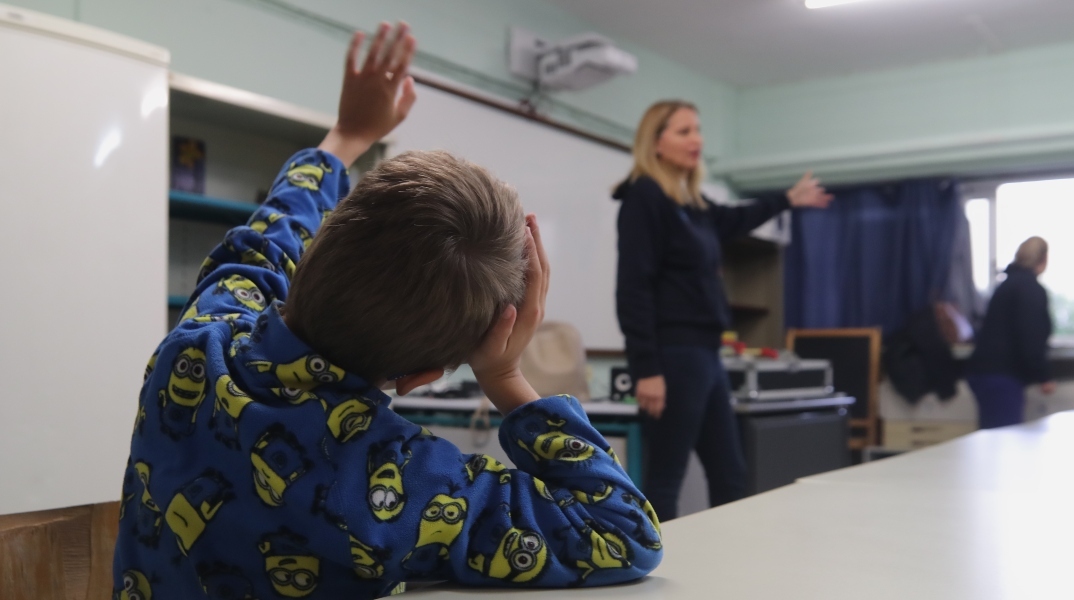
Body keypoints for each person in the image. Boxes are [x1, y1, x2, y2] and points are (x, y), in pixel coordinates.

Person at [112, 23, 661, 599]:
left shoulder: (200, 338)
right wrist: (504, 376)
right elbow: (625, 532)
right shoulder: (408, 481)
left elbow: (274, 227)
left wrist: (347, 136)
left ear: (319, 245)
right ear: (422, 377)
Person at [614, 100, 832, 521]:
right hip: (674, 356)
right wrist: (646, 369)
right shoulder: (645, 198)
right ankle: (655, 568)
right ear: (655, 142)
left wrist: (787, 198)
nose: (697, 140)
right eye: (683, 131)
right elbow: (633, 288)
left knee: (730, 474)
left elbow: (735, 219)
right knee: (665, 478)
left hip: (705, 354)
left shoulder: (691, 205)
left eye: (697, 130)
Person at [966, 236, 1056, 429]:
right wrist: (1043, 376)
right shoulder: (1029, 289)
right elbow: (1030, 337)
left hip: (988, 373)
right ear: (1043, 259)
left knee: (995, 439)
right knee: (1002, 442)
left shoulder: (1008, 285)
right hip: (1001, 376)